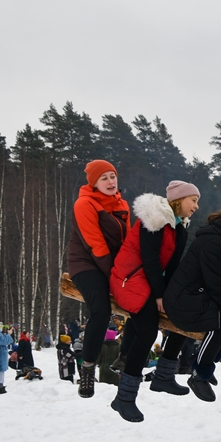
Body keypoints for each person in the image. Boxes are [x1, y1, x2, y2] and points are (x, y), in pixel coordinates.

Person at [107, 182, 201, 422]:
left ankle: (164, 376)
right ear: (179, 200)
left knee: (184, 315)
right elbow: (149, 260)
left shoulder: (180, 228)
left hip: (150, 282)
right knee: (147, 333)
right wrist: (160, 295)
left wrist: (177, 294)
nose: (196, 206)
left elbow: (171, 267)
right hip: (131, 278)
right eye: (193, 200)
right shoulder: (155, 221)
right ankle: (125, 397)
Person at [163, 198, 221, 402]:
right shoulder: (214, 241)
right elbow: (216, 283)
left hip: (198, 294)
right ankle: (199, 374)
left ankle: (206, 359)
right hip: (182, 299)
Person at [67, 160, 130, 400]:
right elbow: (95, 244)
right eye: (104, 178)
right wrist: (114, 277)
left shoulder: (121, 204)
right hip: (86, 263)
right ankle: (87, 368)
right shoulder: (84, 204)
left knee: (138, 301)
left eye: (112, 176)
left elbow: (125, 243)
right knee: (101, 311)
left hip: (112, 264)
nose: (111, 182)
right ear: (93, 182)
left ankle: (125, 359)